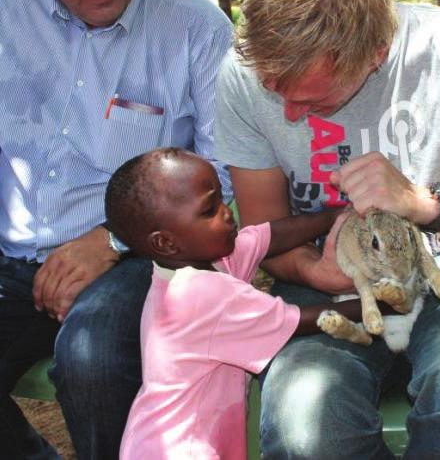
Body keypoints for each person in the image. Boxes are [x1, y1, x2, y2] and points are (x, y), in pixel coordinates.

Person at [214, 0, 440, 460]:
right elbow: (263, 235)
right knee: (304, 428)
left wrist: (422, 203)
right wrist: (317, 272)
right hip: (331, 280)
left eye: (312, 100)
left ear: (375, 54)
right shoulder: (243, 78)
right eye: (276, 92)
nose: (289, 114)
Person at [0, 0, 233, 458]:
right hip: (11, 254)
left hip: (141, 255)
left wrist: (112, 242)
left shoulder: (197, 27)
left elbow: (227, 173)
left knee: (93, 359)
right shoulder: (4, 5)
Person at [106, 147, 371, 460]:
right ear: (166, 242)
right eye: (209, 210)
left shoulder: (205, 260)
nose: (227, 212)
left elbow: (267, 236)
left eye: (221, 198)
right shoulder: (198, 292)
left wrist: (333, 217)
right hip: (182, 449)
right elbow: (301, 320)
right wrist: (379, 304)